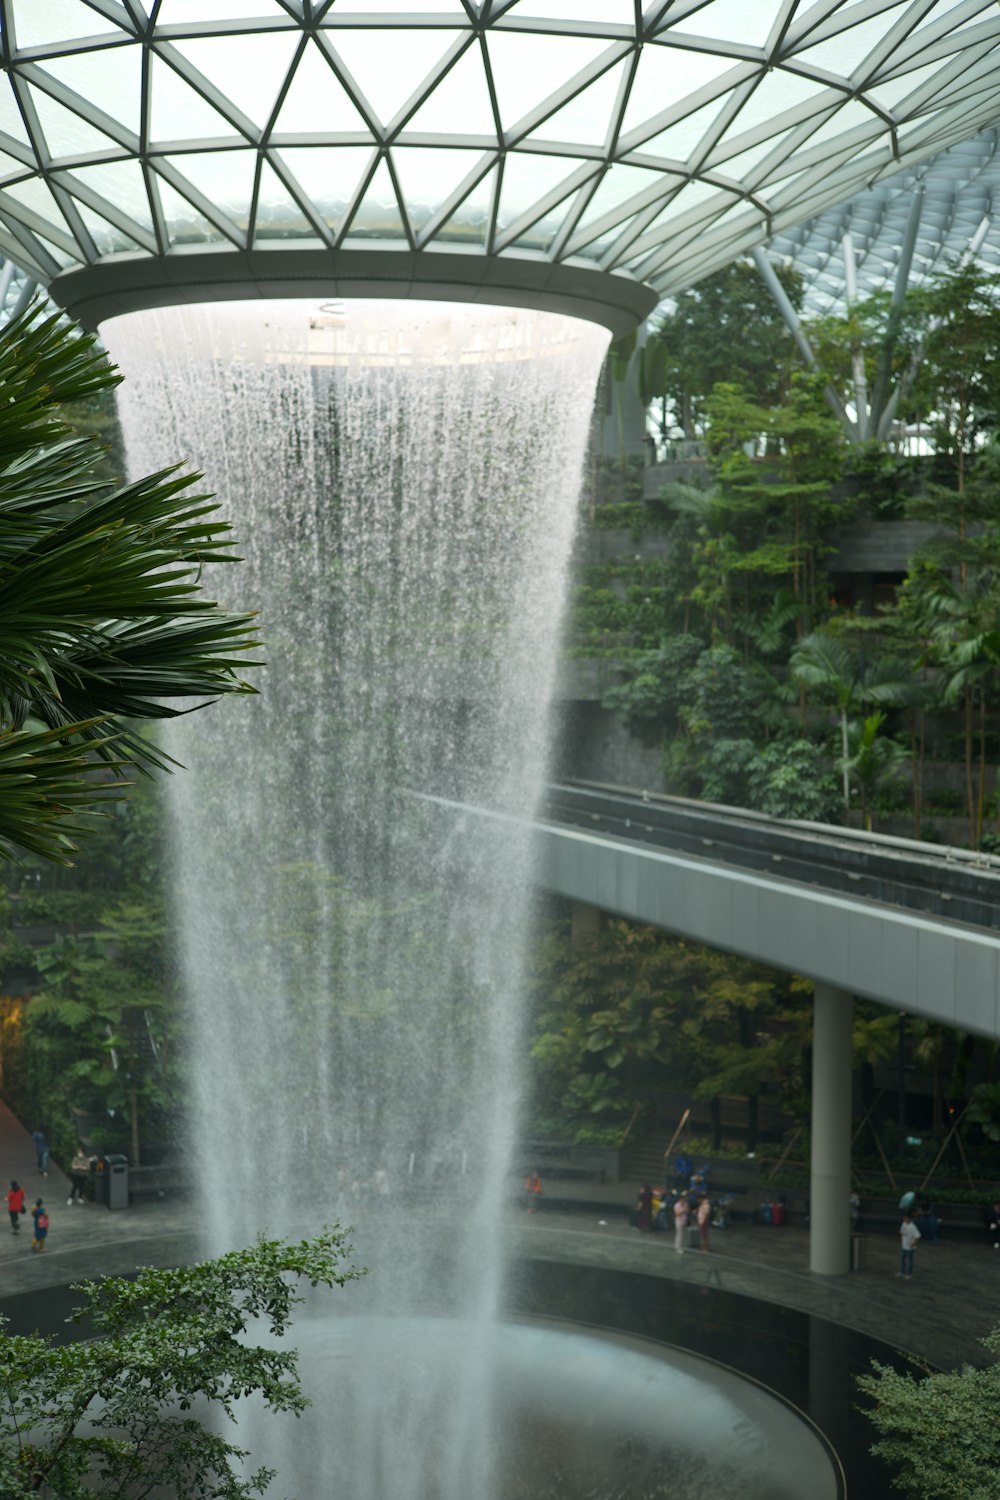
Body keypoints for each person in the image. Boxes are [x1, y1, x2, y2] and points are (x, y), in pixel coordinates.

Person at [898, 1211, 920, 1278]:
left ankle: (909, 1274)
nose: (904, 1219)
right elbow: (901, 1232)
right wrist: (902, 1241)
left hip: (910, 1247)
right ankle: (901, 1272)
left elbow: (917, 1236)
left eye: (906, 1218)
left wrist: (913, 1244)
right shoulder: (904, 1224)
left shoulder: (913, 1227)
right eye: (904, 1218)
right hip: (903, 1246)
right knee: (902, 1259)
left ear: (910, 1219)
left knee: (909, 1260)